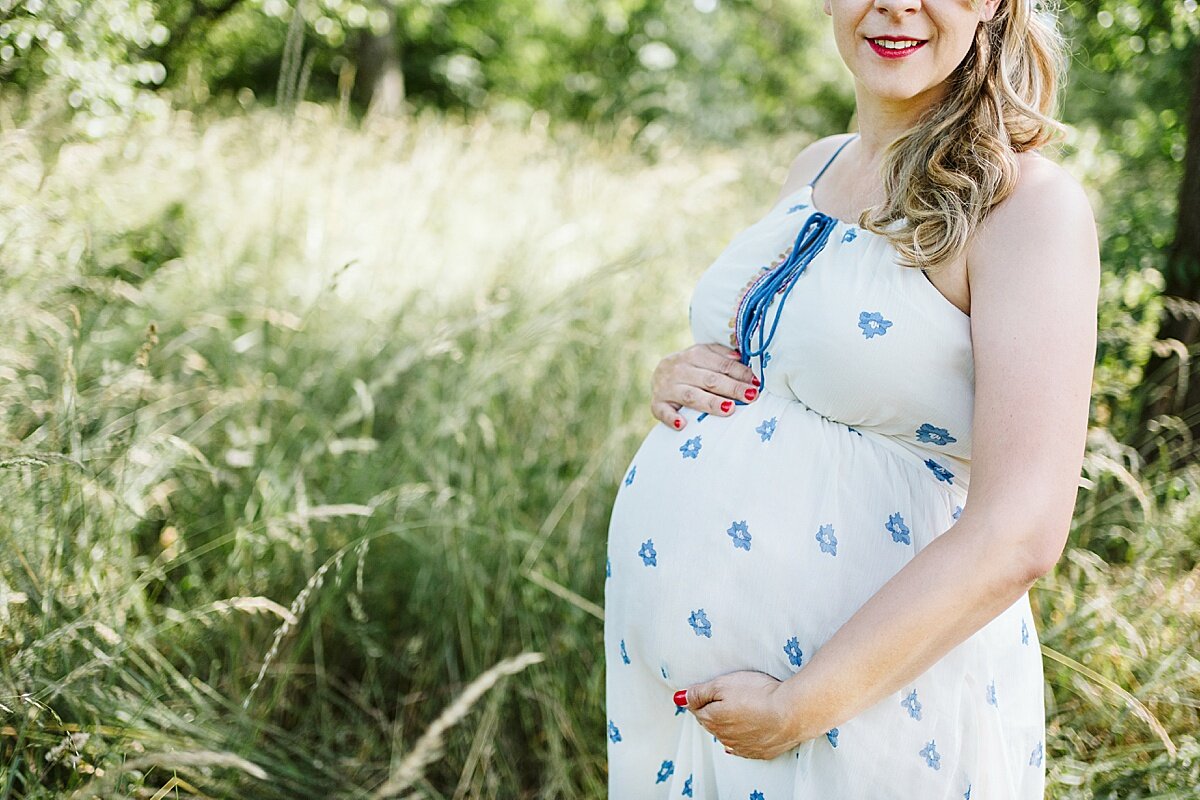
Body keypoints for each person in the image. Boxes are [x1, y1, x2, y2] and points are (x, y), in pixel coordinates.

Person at [602, 0, 1100, 796]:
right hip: (686, 726)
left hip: (870, 718)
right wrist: (681, 377)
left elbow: (1021, 532)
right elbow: (786, 373)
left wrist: (804, 705)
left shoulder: (1028, 208)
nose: (896, 4)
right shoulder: (816, 166)